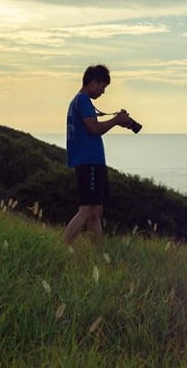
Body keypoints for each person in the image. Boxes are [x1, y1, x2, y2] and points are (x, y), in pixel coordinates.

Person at [62, 64, 131, 245]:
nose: (103, 92)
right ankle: (62, 247)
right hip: (88, 162)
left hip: (90, 161)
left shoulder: (79, 102)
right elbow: (93, 128)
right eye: (102, 87)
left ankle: (99, 254)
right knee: (86, 209)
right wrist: (116, 120)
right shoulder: (83, 100)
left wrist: (116, 121)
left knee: (96, 211)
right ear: (93, 82)